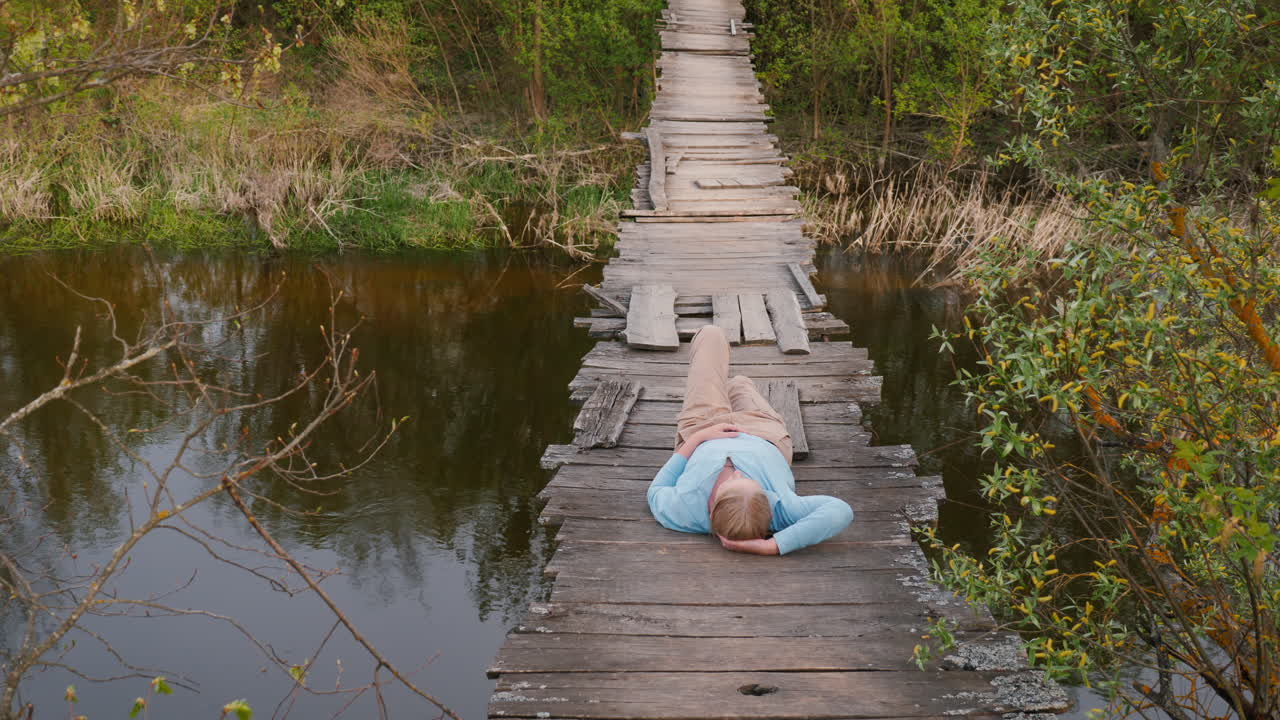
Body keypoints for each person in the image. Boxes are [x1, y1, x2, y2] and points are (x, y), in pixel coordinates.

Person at [646, 325, 854, 555]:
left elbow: (656, 490)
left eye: (729, 482)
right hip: (762, 431)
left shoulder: (684, 509)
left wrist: (697, 439)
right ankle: (732, 387)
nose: (738, 471)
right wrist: (773, 545)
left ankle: (722, 392)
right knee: (741, 384)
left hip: (704, 426)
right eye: (751, 481)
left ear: (712, 507)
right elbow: (840, 510)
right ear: (766, 501)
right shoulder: (780, 508)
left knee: (711, 335)